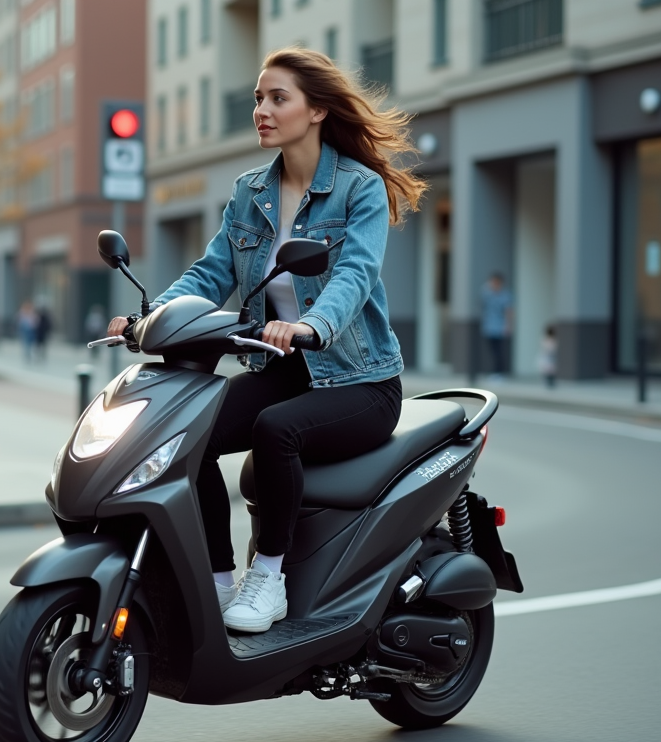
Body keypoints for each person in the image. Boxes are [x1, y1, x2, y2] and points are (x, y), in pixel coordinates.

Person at [107, 47, 424, 634]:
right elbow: (210, 273)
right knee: (186, 433)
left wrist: (309, 326)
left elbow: (355, 276)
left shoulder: (360, 189)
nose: (262, 109)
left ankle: (269, 577)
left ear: (318, 110)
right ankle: (220, 583)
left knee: (276, 430)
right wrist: (150, 316)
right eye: (258, 98)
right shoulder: (250, 190)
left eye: (278, 98)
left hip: (361, 380)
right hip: (284, 370)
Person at [480, 273, 514, 380]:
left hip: (500, 327)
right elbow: (482, 298)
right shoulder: (488, 293)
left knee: (499, 351)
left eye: (496, 282)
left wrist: (508, 326)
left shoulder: (505, 295)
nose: (494, 284)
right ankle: (494, 372)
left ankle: (499, 373)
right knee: (492, 350)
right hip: (489, 326)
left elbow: (509, 311)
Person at [537, 324, 557, 388]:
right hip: (548, 358)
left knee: (548, 371)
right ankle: (549, 384)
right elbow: (551, 349)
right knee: (549, 371)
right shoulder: (551, 340)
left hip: (548, 358)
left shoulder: (545, 339)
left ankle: (549, 384)